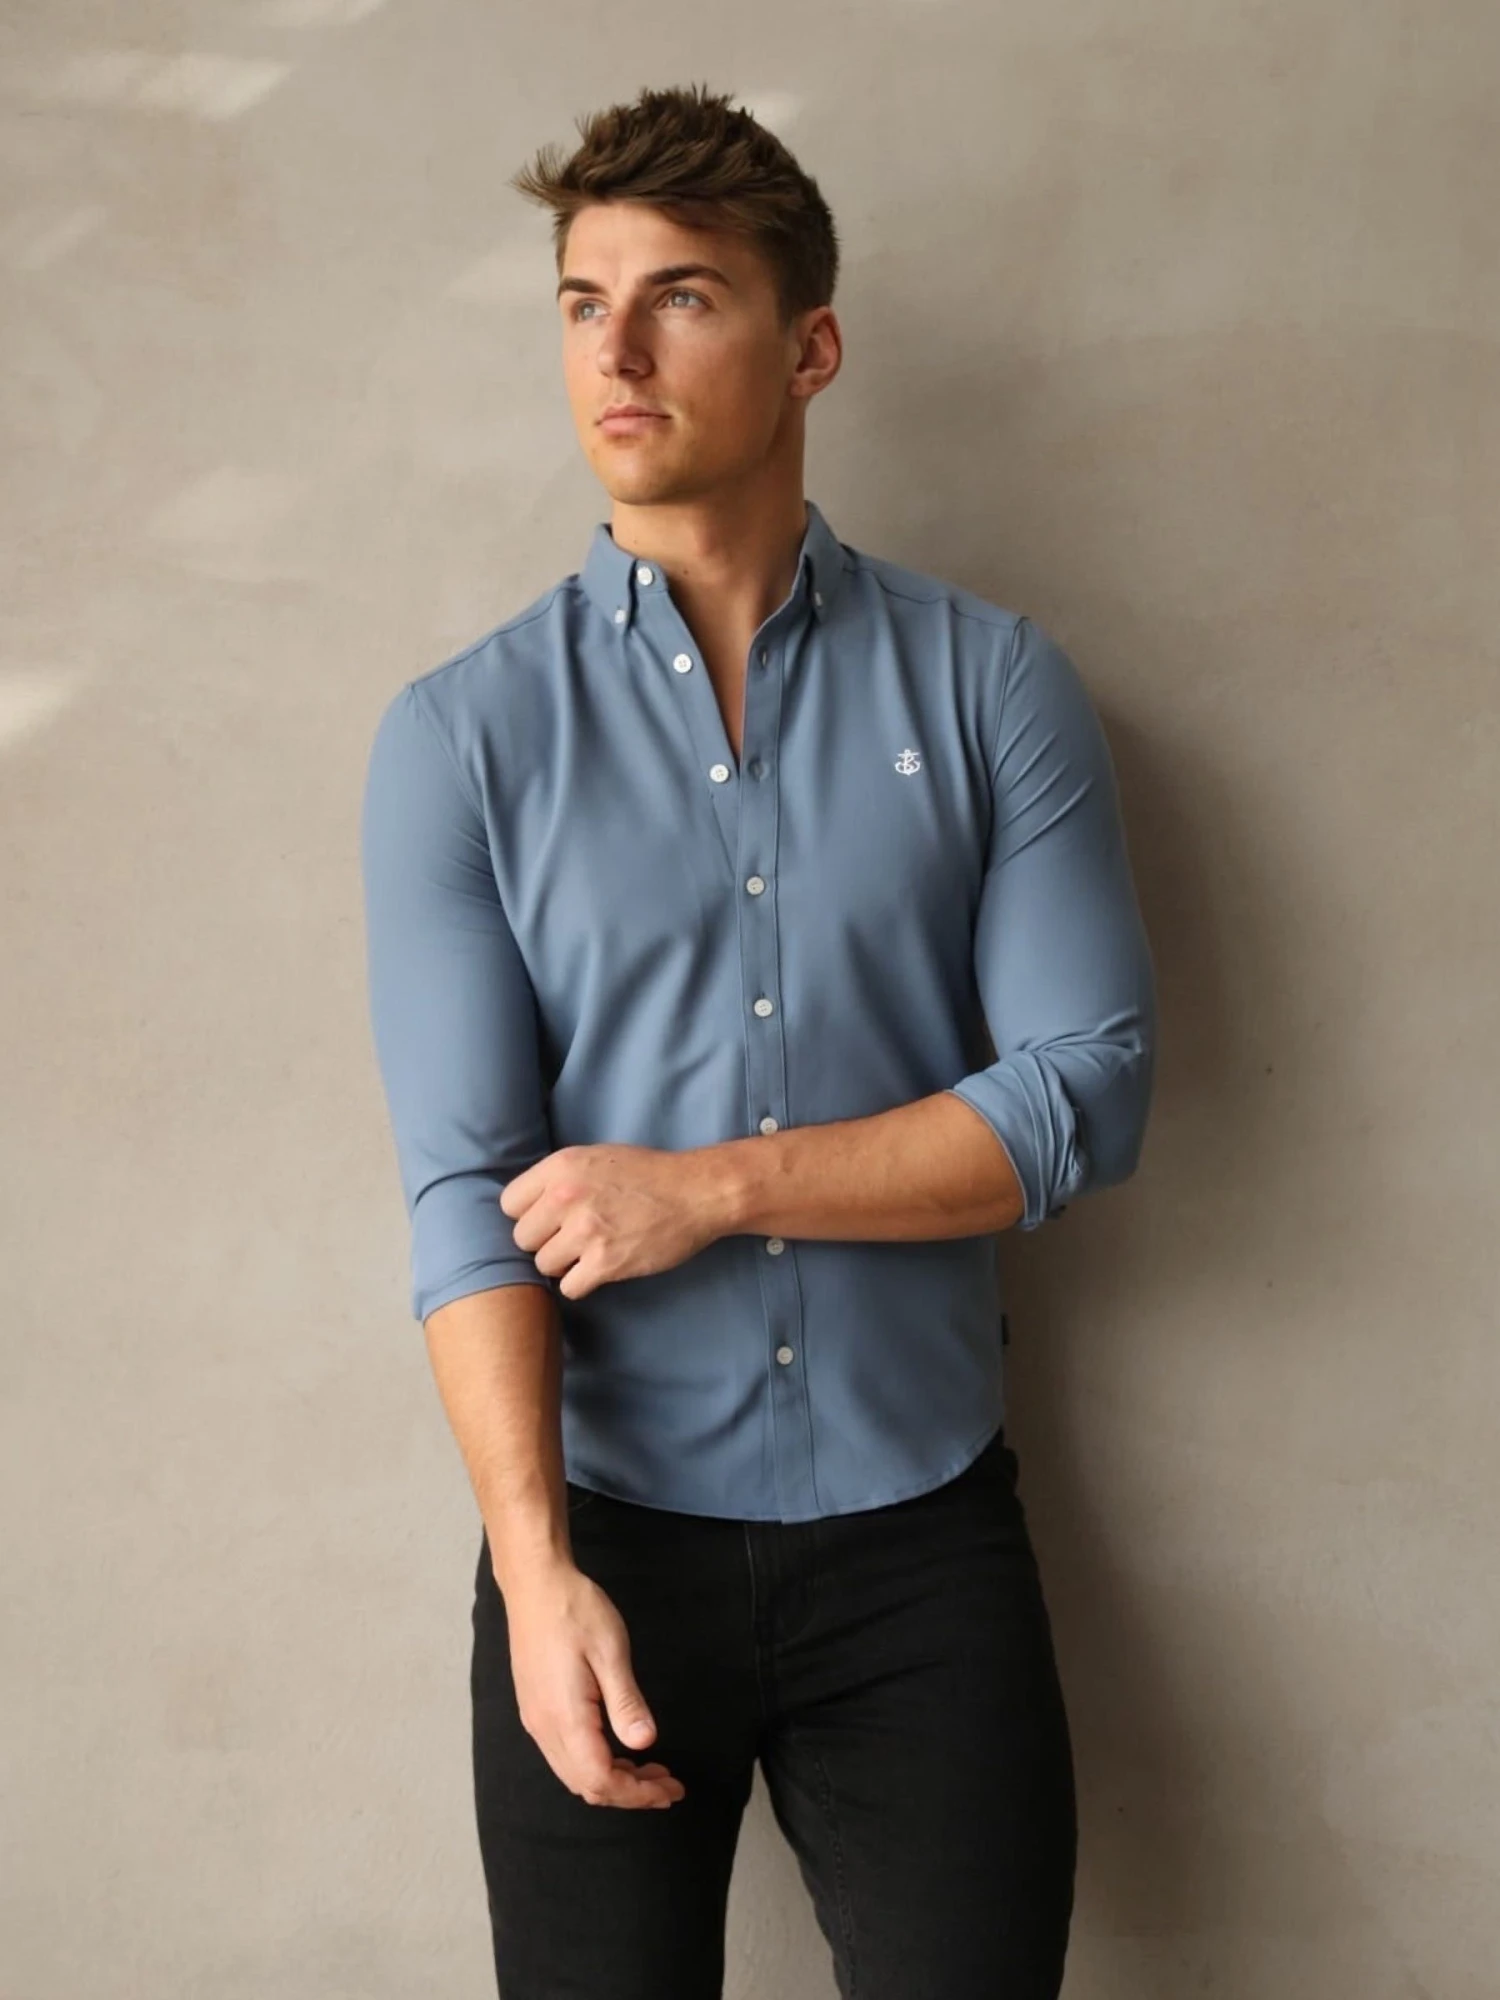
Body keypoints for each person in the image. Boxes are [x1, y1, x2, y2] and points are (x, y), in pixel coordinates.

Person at [359, 80, 1156, 2000]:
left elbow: (1087, 1096)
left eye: (682, 296)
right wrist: (535, 1574)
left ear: (812, 348)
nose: (615, 353)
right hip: (601, 1547)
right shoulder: (462, 740)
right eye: (582, 302)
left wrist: (710, 1191)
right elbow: (466, 1192)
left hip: (923, 1549)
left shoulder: (993, 685)